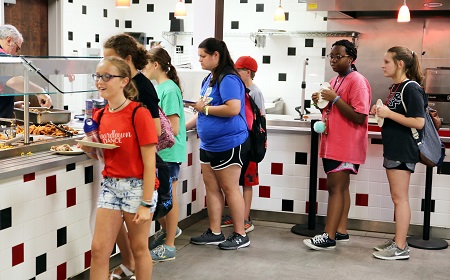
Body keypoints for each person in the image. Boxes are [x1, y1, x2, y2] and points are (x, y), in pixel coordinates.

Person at [80, 56, 157, 280]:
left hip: (137, 186)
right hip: (110, 185)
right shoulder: (100, 115)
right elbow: (102, 154)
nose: (100, 82)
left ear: (124, 81)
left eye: (107, 76)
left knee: (139, 248)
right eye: (97, 76)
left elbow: (150, 162)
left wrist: (145, 203)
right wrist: (88, 147)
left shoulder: (138, 113)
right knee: (99, 250)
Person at [303, 39, 372, 250]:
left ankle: (328, 236)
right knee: (341, 189)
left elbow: (360, 116)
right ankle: (340, 230)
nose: (333, 60)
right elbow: (332, 111)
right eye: (331, 56)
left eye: (338, 56)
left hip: (346, 144)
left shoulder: (357, 81)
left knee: (335, 188)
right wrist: (320, 101)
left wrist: (334, 99)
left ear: (351, 59)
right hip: (334, 142)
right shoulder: (335, 81)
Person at [102, 33, 160, 279]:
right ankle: (128, 264)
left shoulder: (142, 87)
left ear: (126, 60)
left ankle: (132, 265)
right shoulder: (120, 88)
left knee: (140, 246)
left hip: (139, 174)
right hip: (117, 177)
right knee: (103, 245)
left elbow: (154, 131)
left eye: (109, 61)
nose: (104, 72)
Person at [187, 38, 251, 250]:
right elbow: (202, 109)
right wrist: (184, 126)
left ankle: (241, 234)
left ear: (216, 55)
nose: (200, 60)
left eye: (203, 56)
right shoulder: (209, 79)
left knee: (230, 188)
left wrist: (203, 109)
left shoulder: (229, 78)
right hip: (208, 144)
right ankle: (215, 232)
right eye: (199, 57)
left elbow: (233, 108)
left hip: (228, 143)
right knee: (212, 188)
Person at [370, 46, 426, 260]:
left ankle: (401, 247)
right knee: (397, 197)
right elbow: (394, 115)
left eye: (387, 61)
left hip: (404, 149)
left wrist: (389, 113)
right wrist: (381, 112)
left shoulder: (411, 88)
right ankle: (398, 241)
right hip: (394, 148)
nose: (382, 65)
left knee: (400, 198)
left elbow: (418, 122)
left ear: (400, 64)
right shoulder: (396, 87)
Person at [144, 47, 186, 261]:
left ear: (156, 65)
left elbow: (174, 128)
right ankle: (171, 230)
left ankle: (169, 245)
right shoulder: (162, 87)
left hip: (169, 152)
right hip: (165, 152)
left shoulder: (168, 89)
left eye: (145, 64)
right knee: (164, 198)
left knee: (169, 198)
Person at [221, 56, 265, 233]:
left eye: (238, 70)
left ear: (248, 72)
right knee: (235, 181)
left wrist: (258, 143)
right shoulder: (238, 89)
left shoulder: (255, 92)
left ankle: (246, 218)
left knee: (247, 181)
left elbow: (260, 120)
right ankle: (237, 215)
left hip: (251, 142)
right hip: (239, 141)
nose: (235, 73)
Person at [0, 24, 52, 119]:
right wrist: (40, 91)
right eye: (17, 48)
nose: (16, 54)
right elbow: (13, 80)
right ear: (9, 40)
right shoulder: (2, 56)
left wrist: (12, 105)